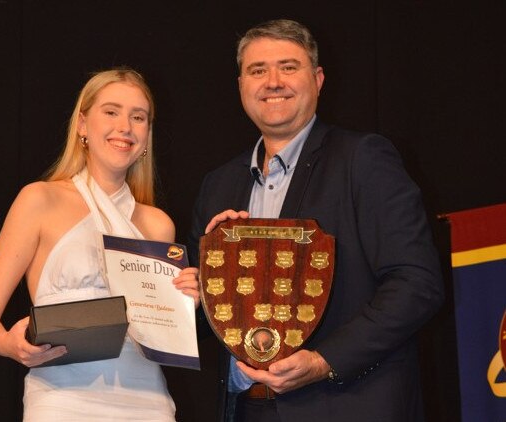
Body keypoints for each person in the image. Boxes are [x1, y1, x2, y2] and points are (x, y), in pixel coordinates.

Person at [187, 19, 444, 422]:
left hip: (346, 405)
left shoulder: (364, 160)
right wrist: (199, 284)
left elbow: (417, 283)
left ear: (318, 79)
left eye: (288, 67)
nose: (273, 81)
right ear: (241, 85)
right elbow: (204, 318)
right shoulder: (217, 187)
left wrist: (324, 360)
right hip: (246, 409)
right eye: (258, 70)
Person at [0, 67, 200, 421]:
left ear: (147, 134)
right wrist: (9, 344)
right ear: (82, 124)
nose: (125, 126)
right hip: (61, 398)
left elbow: (158, 329)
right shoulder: (39, 200)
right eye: (111, 111)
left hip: (146, 399)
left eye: (138, 117)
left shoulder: (158, 224)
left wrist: (187, 302)